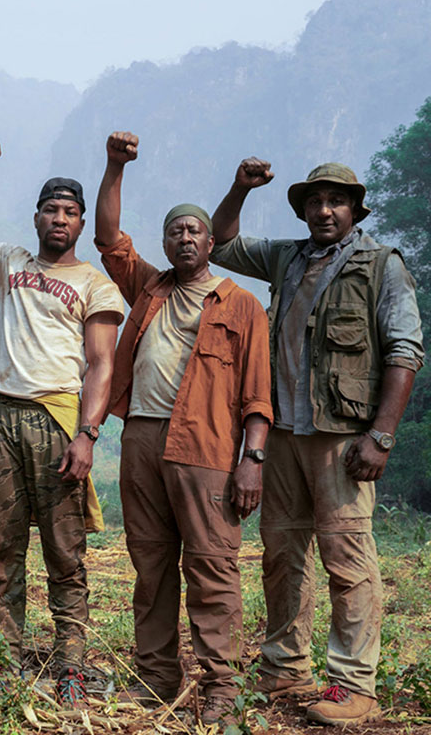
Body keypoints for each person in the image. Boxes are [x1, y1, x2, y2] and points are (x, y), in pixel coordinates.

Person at [210, 158, 424, 725]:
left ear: (355, 208)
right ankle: (286, 667)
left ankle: (353, 684)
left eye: (335, 201)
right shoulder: (288, 256)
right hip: (283, 433)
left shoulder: (381, 265)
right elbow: (222, 243)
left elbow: (404, 351)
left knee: (346, 557)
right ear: (302, 209)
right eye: (313, 201)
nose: (323, 210)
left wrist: (380, 436)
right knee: (283, 555)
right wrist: (240, 187)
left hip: (342, 437)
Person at [0, 137, 122, 704]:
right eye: (50, 210)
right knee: (3, 550)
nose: (59, 219)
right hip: (0, 420)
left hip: (58, 420)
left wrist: (88, 435)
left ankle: (70, 664)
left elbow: (101, 365)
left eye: (69, 212)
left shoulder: (95, 283)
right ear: (36, 216)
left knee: (65, 552)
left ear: (82, 222)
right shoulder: (12, 261)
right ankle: (5, 660)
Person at [94, 133, 273, 725]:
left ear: (212, 240)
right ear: (166, 242)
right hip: (142, 439)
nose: (186, 238)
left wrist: (252, 459)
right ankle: (156, 679)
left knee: (212, 564)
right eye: (176, 231)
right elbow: (108, 239)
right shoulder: (149, 286)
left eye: (195, 230)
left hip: (207, 446)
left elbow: (257, 394)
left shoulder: (240, 303)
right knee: (150, 563)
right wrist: (115, 166)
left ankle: (222, 685)